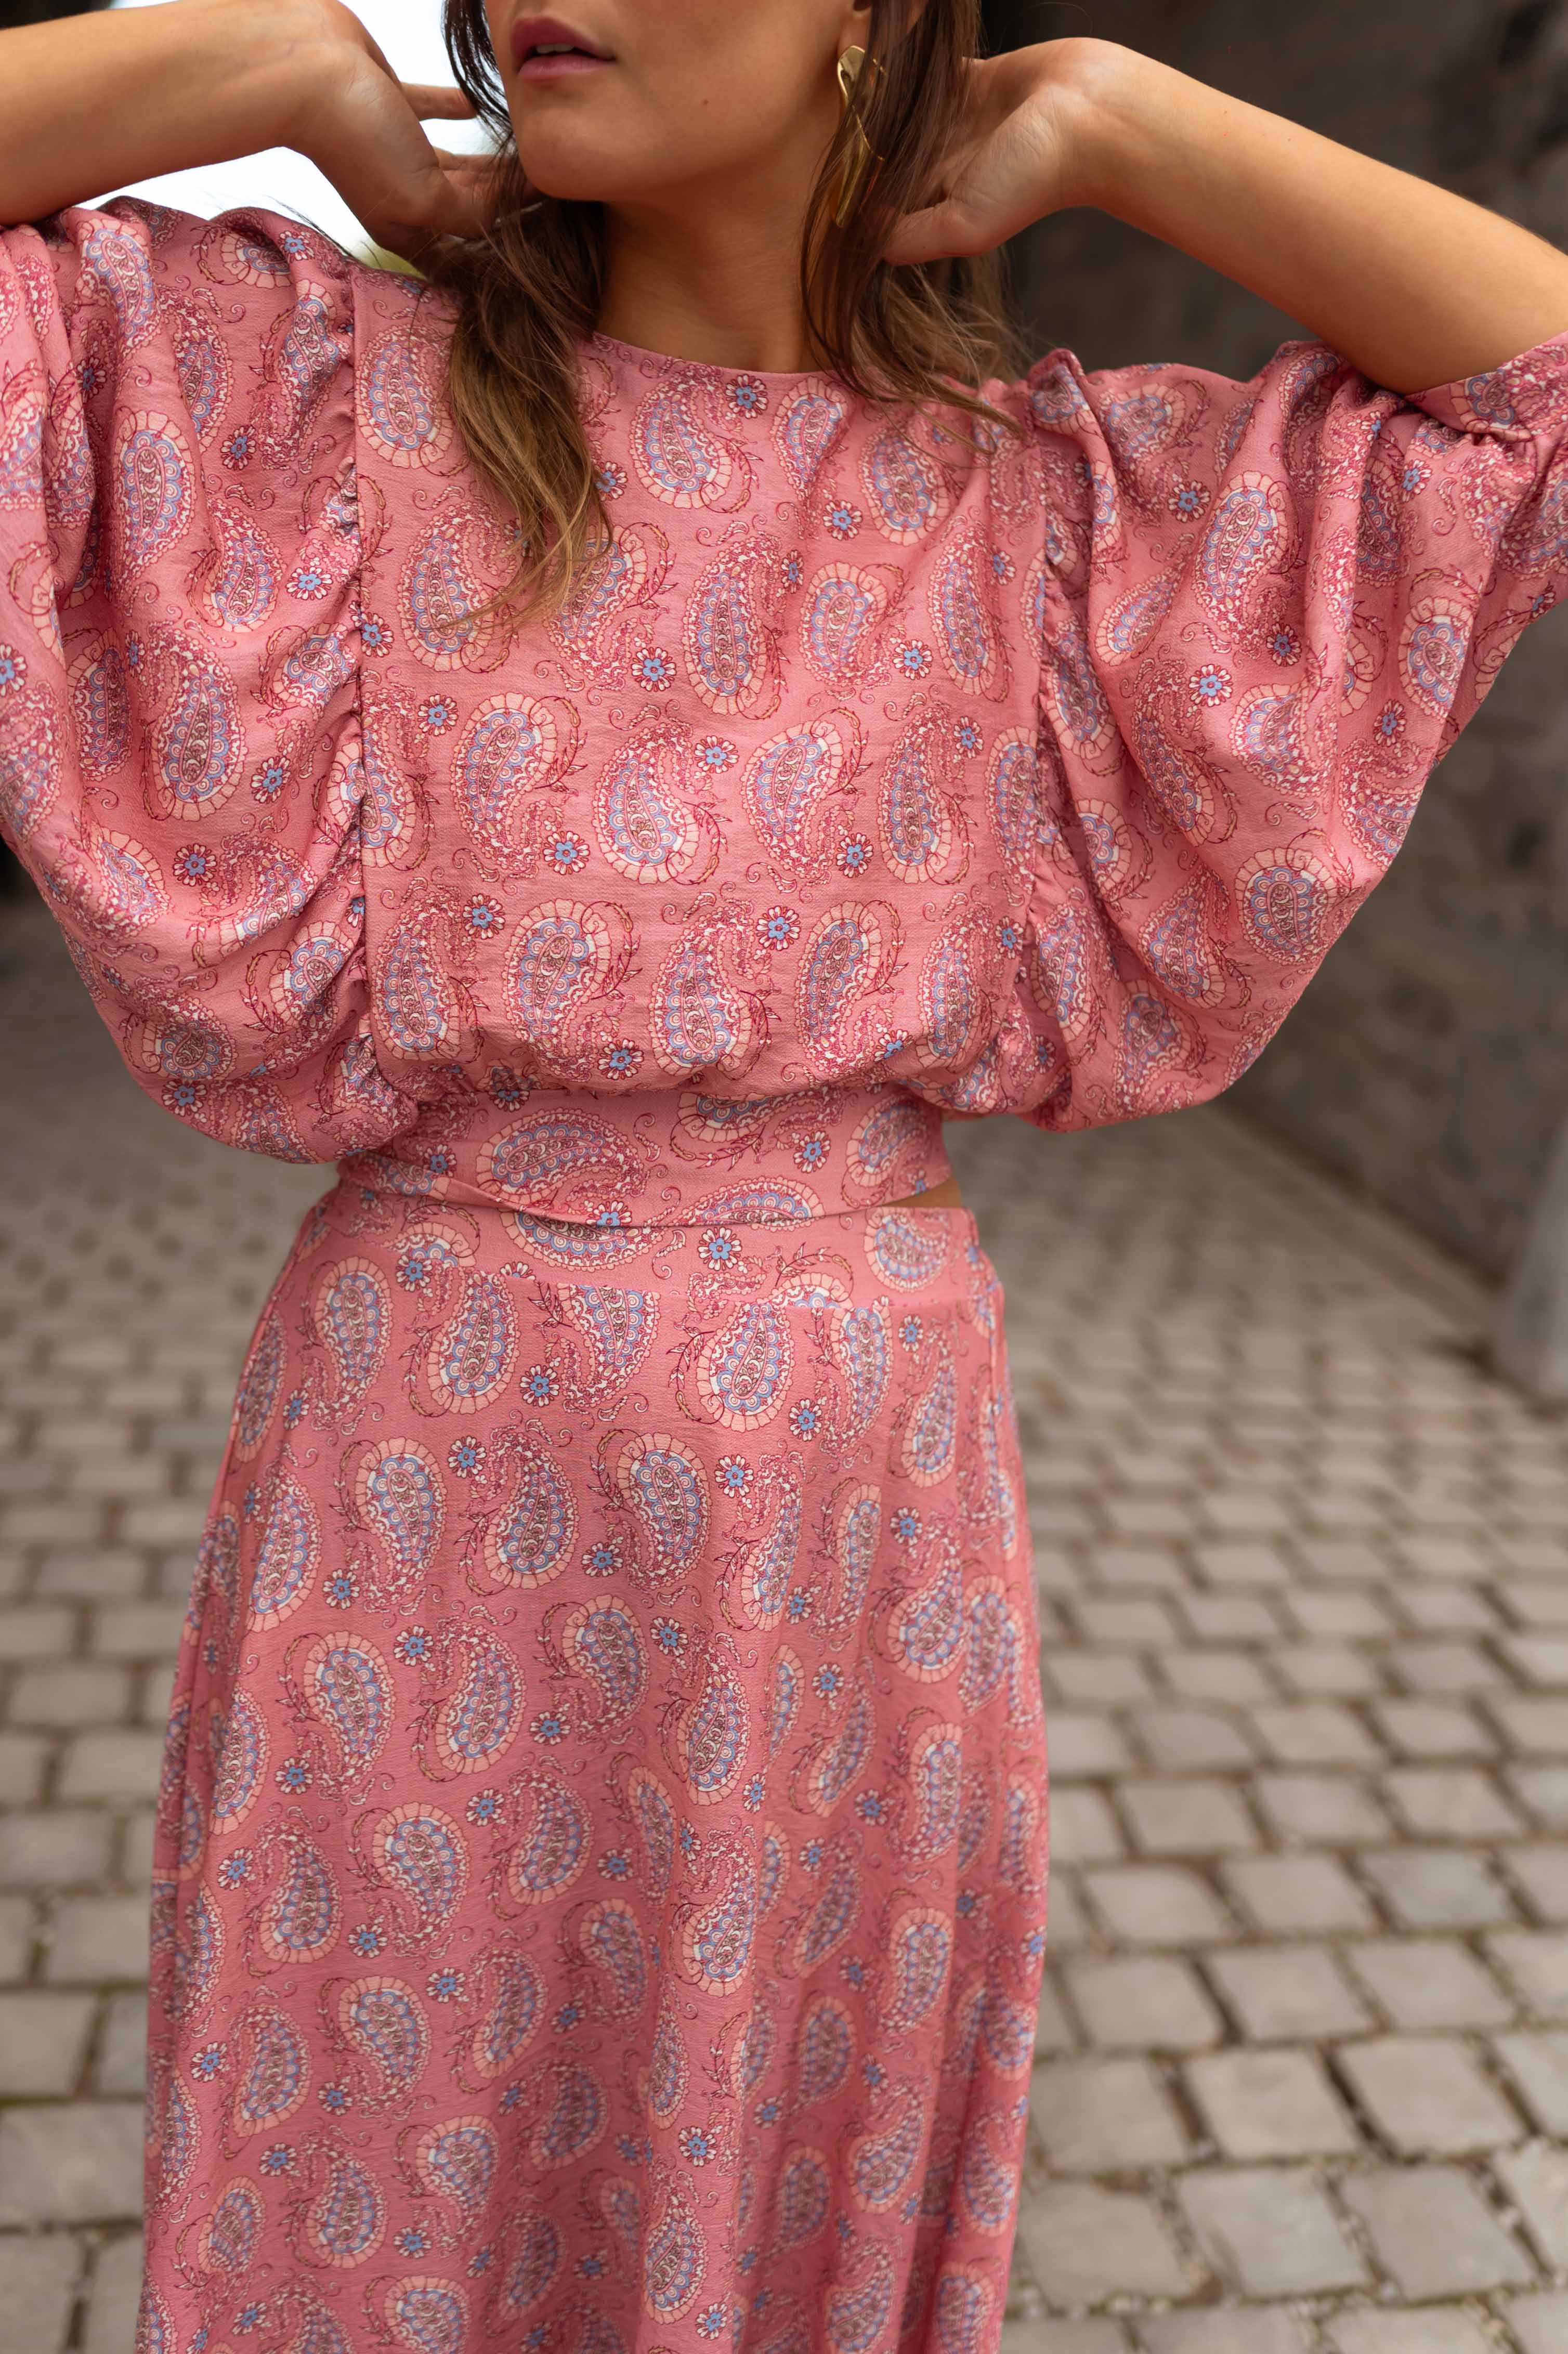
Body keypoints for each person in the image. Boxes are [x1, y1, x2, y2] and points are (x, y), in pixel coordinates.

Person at [2, 2, 1567, 2345]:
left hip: (852, 1521)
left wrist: (1121, 123)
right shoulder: (310, 405)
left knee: (757, 2187)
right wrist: (285, 77)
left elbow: (1532, 400)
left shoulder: (1048, 516)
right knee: (373, 2186)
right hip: (423, 1470)